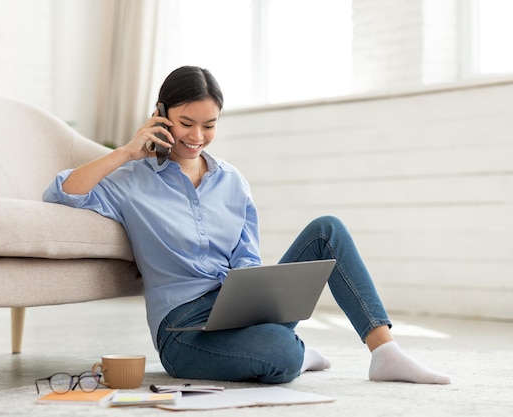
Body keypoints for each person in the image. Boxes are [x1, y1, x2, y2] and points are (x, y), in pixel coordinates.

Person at [43, 66, 450, 385]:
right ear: (160, 116)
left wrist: (257, 296)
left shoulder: (232, 180)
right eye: (186, 123)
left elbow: (246, 257)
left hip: (237, 305)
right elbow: (61, 193)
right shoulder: (133, 181)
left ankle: (384, 353)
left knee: (328, 229)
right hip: (183, 329)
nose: (198, 136)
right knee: (282, 354)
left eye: (210, 124)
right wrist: (128, 152)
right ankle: (296, 351)